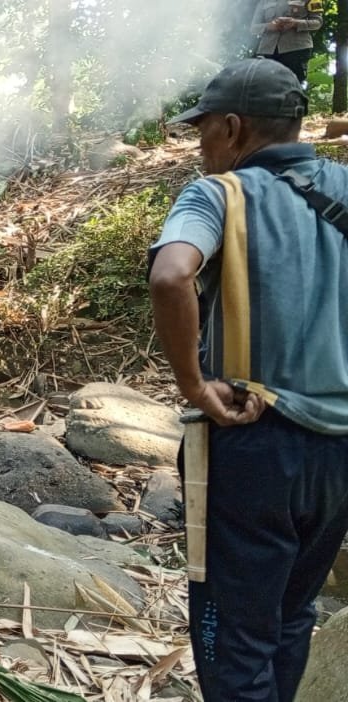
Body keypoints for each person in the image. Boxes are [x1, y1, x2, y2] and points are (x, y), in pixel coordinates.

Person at [148, 58, 348, 701]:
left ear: (232, 128)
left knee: (234, 633)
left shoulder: (218, 195)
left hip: (252, 438)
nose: (200, 146)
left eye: (202, 130)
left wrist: (195, 387)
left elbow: (172, 275)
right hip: (340, 450)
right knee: (294, 615)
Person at [252, 0, 322, 84]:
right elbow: (253, 28)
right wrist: (270, 26)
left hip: (297, 49)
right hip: (267, 51)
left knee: (292, 85)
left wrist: (295, 23)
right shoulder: (263, 2)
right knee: (266, 86)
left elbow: (317, 22)